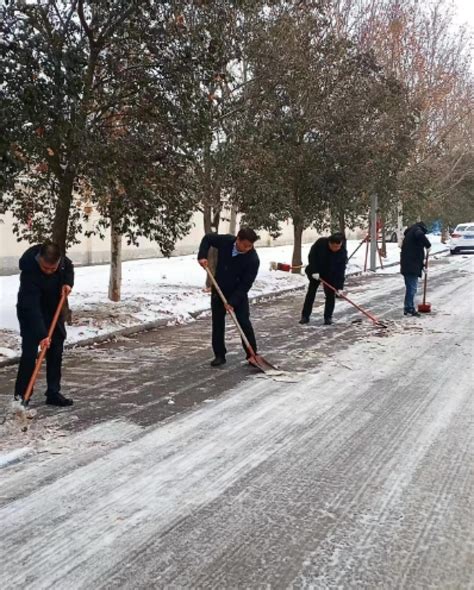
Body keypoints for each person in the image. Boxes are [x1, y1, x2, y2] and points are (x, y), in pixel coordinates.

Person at [14, 241, 74, 406]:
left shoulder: (62, 263)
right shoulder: (29, 271)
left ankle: (53, 392)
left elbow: (69, 268)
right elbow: (31, 307)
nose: (48, 272)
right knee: (29, 354)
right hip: (30, 314)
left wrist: (67, 283)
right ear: (39, 259)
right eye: (45, 268)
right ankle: (21, 397)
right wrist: (42, 335)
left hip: (53, 310)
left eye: (52, 269)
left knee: (56, 350)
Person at [198, 227, 260, 367]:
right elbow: (208, 238)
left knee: (244, 322)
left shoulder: (253, 259)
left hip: (238, 293)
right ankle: (219, 355)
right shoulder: (226, 241)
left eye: (250, 246)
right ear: (238, 239)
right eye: (245, 245)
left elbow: (246, 284)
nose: (248, 248)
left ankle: (252, 355)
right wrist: (202, 256)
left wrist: (233, 302)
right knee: (218, 323)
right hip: (219, 288)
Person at [299, 233, 347, 325]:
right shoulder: (320, 243)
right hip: (316, 273)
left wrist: (339, 287)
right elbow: (312, 257)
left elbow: (341, 270)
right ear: (329, 243)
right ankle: (305, 316)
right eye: (334, 246)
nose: (336, 249)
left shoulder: (342, 252)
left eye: (338, 246)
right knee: (311, 293)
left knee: (330, 295)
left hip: (330, 274)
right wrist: (314, 271)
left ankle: (328, 317)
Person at [400, 221, 431, 316]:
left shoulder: (411, 236)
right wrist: (428, 245)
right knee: (412, 289)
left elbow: (416, 255)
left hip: (409, 265)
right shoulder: (416, 230)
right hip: (410, 267)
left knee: (410, 288)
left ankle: (408, 307)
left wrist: (422, 267)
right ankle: (409, 308)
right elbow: (420, 235)